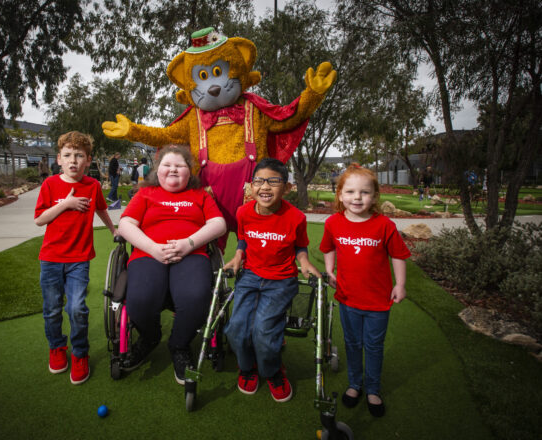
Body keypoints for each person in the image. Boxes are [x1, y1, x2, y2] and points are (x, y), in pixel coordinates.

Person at [117, 145, 227, 384]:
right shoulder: (146, 194)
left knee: (197, 298)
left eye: (180, 165)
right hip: (148, 253)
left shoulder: (200, 195)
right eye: (167, 165)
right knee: (141, 298)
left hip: (191, 254)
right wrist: (153, 248)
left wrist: (189, 243)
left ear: (190, 172)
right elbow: (125, 225)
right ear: (158, 171)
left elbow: (218, 223)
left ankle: (179, 345)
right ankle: (150, 337)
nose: (173, 169)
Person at [223, 158, 321, 403]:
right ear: (251, 186)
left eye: (273, 181)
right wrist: (237, 257)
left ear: (286, 188)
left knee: (264, 333)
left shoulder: (296, 217)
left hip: (281, 279)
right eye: (259, 181)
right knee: (236, 329)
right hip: (251, 276)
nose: (265, 187)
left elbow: (300, 245)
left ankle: (273, 371)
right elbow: (243, 239)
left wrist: (305, 263)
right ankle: (247, 368)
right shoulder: (243, 212)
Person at [319, 163, 410, 417]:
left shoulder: (384, 225)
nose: (357, 198)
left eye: (364, 192)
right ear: (339, 194)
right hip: (348, 298)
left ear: (374, 196)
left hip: (378, 301)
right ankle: (354, 384)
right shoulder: (333, 223)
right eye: (350, 192)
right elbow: (328, 248)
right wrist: (330, 271)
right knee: (352, 343)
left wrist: (399, 284)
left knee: (373, 345)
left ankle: (372, 389)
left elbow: (398, 255)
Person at [34, 131, 118, 385]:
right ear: (59, 159)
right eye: (68, 155)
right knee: (51, 309)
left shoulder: (92, 186)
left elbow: (102, 209)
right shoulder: (50, 185)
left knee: (77, 308)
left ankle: (80, 352)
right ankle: (57, 347)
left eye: (79, 156)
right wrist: (66, 204)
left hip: (79, 259)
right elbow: (39, 220)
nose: (73, 160)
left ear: (88, 160)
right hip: (50, 259)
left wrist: (114, 231)